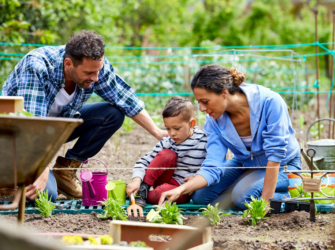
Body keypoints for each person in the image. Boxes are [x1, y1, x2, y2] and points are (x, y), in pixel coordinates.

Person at [1, 30, 167, 202]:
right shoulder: (37, 67)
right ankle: (9, 176)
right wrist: (41, 169)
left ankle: (64, 171)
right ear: (68, 64)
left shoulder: (95, 67)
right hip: (15, 138)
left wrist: (157, 132)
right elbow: (30, 125)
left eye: (98, 71)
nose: (95, 78)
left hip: (55, 128)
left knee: (112, 114)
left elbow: (125, 99)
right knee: (46, 195)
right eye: (89, 73)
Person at [158, 64, 301, 210]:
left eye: (205, 101)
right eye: (199, 102)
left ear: (224, 93)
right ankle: (242, 189)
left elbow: (275, 156)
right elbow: (213, 164)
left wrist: (265, 203)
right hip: (244, 164)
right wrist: (181, 189)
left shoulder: (270, 102)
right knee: (200, 196)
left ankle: (297, 191)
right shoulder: (214, 121)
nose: (201, 109)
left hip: (284, 165)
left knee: (243, 198)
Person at [126, 96, 207, 217]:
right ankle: (142, 189)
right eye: (168, 128)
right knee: (167, 154)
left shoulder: (204, 141)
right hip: (164, 179)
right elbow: (144, 162)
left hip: (182, 189)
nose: (172, 133)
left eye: (177, 128)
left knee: (159, 195)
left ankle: (139, 194)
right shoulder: (169, 141)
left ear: (192, 123)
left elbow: (212, 166)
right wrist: (136, 180)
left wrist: (197, 177)